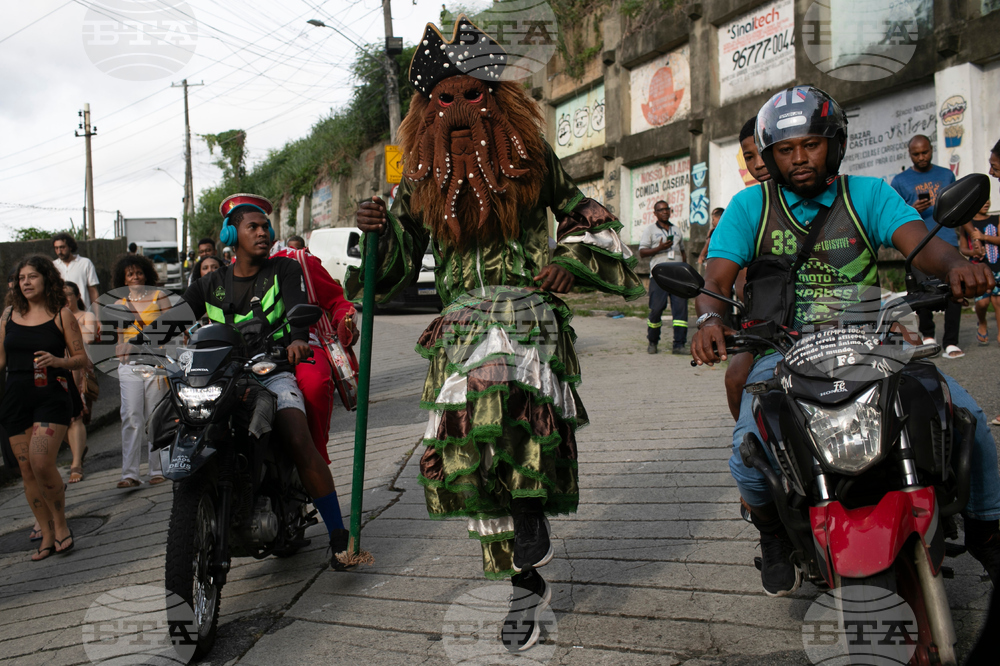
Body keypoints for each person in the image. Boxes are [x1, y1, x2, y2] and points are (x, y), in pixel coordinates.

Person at [351, 15, 643, 653]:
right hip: (457, 320)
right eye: (443, 99)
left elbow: (589, 214)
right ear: (428, 109)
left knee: (516, 415)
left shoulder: (534, 157)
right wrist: (376, 230)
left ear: (496, 97)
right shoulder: (420, 177)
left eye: (471, 95)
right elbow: (397, 258)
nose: (457, 110)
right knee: (462, 454)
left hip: (528, 312)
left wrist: (568, 263)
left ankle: (530, 523)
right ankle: (521, 577)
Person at [694, 86, 1000, 596]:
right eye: (786, 150)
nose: (800, 159)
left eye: (811, 145)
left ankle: (988, 530)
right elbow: (717, 280)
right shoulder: (752, 205)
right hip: (783, 348)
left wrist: (957, 266)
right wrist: (708, 318)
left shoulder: (869, 194)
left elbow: (921, 246)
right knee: (748, 450)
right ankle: (772, 533)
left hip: (871, 336)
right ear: (770, 155)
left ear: (834, 144)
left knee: (963, 417)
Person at [182, 193, 350, 567]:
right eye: (252, 227)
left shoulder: (283, 270)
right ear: (231, 235)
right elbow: (173, 315)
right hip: (224, 376)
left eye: (264, 227)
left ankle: (340, 537)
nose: (263, 233)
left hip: (272, 370)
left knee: (296, 432)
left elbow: (298, 311)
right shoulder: (212, 284)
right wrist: (142, 338)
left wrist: (296, 341)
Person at [0, 255, 89, 560]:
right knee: (26, 471)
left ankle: (61, 524)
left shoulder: (61, 315)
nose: (25, 282)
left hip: (51, 394)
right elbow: (1, 360)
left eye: (32, 277)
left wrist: (58, 361)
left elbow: (81, 360)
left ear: (46, 279)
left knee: (40, 461)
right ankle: (46, 533)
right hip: (15, 399)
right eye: (21, 278)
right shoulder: (8, 315)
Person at [270, 241, 358, 463]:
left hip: (304, 340)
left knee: (315, 384)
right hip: (254, 348)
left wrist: (344, 322)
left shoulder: (300, 260)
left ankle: (315, 460)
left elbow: (336, 300)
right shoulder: (230, 271)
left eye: (261, 226)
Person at [891, 135, 963, 358]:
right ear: (909, 154)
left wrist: (971, 237)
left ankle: (951, 341)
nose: (921, 157)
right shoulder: (900, 181)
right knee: (921, 294)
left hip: (947, 241)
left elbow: (958, 206)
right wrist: (913, 208)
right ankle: (928, 335)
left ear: (931, 150)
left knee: (954, 293)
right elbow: (895, 214)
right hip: (918, 245)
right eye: (916, 154)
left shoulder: (946, 174)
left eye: (925, 152)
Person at [112, 255, 171, 488]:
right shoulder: (118, 304)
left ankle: (157, 469)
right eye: (130, 274)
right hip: (130, 365)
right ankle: (129, 474)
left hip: (155, 364)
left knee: (155, 417)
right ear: (123, 279)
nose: (135, 277)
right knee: (130, 416)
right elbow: (119, 338)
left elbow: (172, 328)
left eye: (139, 273)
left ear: (147, 275)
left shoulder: (160, 297)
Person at [640, 201, 688, 354]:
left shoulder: (676, 230)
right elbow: (642, 252)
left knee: (680, 311)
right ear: (655, 213)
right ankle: (653, 341)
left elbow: (682, 252)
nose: (664, 212)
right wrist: (659, 248)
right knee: (656, 309)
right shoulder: (650, 231)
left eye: (667, 209)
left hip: (677, 277)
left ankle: (679, 345)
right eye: (660, 210)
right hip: (659, 276)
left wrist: (685, 271)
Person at [63, 281, 99, 483]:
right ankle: (77, 454)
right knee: (67, 418)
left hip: (83, 371)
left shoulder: (87, 316)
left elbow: (89, 337)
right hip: (63, 371)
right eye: (62, 294)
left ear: (77, 296)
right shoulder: (56, 317)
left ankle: (77, 459)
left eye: (69, 293)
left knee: (80, 416)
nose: (65, 298)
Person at [52, 233, 99, 312]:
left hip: (83, 313)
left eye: (62, 247)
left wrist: (97, 316)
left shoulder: (85, 263)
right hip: (61, 313)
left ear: (70, 247)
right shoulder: (53, 266)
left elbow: (93, 291)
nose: (59, 251)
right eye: (56, 248)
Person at [697, 207, 724, 271]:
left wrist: (701, 256)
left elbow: (708, 244)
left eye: (713, 219)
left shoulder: (715, 231)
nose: (712, 222)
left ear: (720, 218)